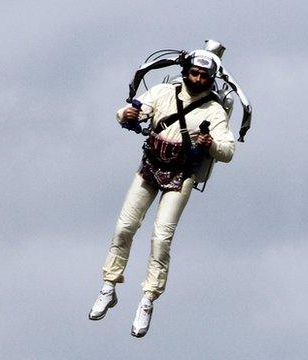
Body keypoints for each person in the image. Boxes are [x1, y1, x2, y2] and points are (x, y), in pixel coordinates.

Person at [88, 49, 235, 338]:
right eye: (194, 73)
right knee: (124, 227)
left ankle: (148, 298)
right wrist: (126, 113)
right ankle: (109, 284)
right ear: (186, 72)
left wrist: (210, 144)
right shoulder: (164, 92)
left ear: (210, 79)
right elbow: (131, 111)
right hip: (150, 168)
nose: (197, 78)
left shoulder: (214, 111)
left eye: (204, 76)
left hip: (181, 177)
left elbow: (228, 150)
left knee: (161, 238)